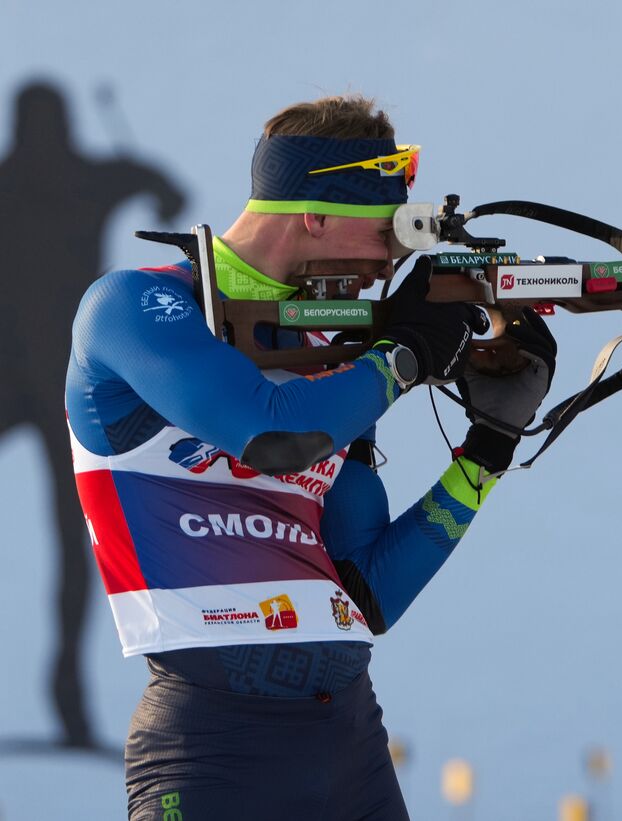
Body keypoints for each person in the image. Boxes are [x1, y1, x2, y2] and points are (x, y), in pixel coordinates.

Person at [66, 95, 556, 819]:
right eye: (386, 232)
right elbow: (273, 436)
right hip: (214, 748)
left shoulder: (332, 362)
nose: (392, 259)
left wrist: (487, 449)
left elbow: (368, 592)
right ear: (315, 214)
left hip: (350, 742)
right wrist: (409, 352)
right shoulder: (133, 305)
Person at [0, 79, 185, 750]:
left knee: (74, 540)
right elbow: (166, 189)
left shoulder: (28, 179)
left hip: (32, 381)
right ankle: (70, 700)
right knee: (74, 541)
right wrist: (158, 194)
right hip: (56, 381)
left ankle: (70, 699)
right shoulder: (91, 177)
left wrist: (159, 191)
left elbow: (162, 187)